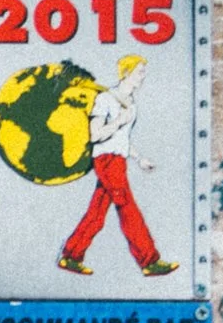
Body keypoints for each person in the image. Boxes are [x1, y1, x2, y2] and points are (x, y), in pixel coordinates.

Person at [57, 57, 177, 278]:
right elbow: (95, 134)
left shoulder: (130, 102)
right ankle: (149, 260)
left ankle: (71, 256)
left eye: (143, 72)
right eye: (139, 72)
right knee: (127, 208)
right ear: (126, 73)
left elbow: (121, 139)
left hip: (118, 159)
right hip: (106, 160)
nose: (143, 76)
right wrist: (120, 121)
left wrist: (139, 158)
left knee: (97, 212)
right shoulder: (105, 99)